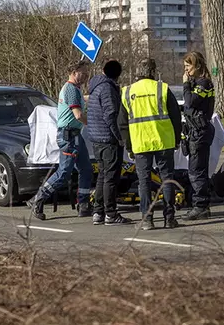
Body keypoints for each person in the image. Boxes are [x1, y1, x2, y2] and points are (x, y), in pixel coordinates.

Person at [118, 58, 183, 230]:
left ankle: (147, 220)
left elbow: (122, 123)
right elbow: (176, 117)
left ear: (138, 71)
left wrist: (129, 145)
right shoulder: (162, 88)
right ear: (153, 72)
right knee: (167, 179)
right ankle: (169, 218)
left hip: (140, 143)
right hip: (163, 141)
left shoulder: (127, 92)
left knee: (144, 181)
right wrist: (177, 139)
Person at [26, 60, 94, 220]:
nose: (85, 76)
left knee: (86, 169)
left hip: (75, 135)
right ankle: (38, 199)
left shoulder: (74, 89)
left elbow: (80, 100)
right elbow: (77, 114)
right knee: (64, 172)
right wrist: (94, 123)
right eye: (83, 73)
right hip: (69, 136)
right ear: (74, 71)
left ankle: (83, 204)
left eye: (86, 73)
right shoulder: (70, 89)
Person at [86, 60, 132, 225]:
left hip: (97, 138)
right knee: (111, 177)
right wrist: (119, 136)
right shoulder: (107, 89)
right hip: (108, 139)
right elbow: (111, 114)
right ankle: (110, 214)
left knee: (103, 176)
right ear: (118, 75)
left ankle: (98, 212)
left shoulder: (96, 86)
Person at [181, 51, 216, 221]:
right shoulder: (197, 82)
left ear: (197, 66)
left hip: (200, 131)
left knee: (196, 171)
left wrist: (186, 85)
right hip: (195, 131)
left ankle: (201, 206)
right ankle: (201, 204)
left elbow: (190, 102)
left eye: (188, 66)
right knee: (195, 169)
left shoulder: (203, 83)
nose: (186, 70)